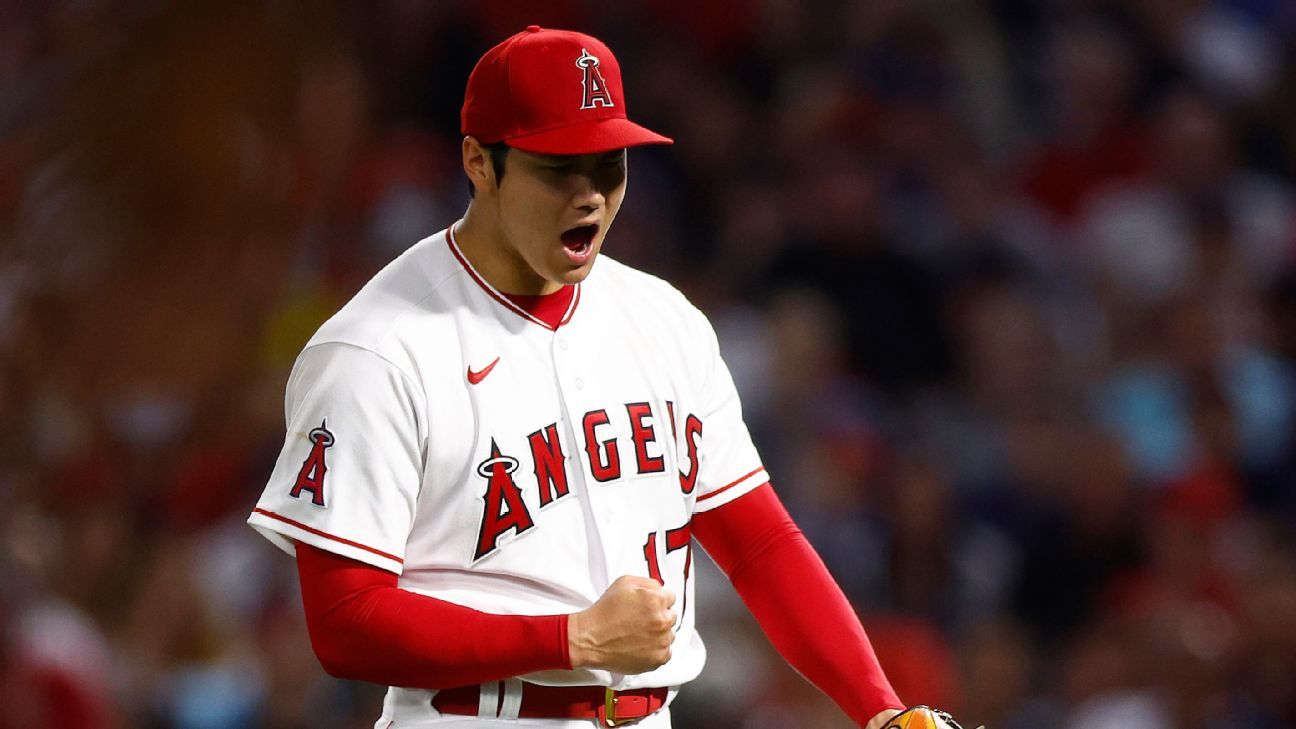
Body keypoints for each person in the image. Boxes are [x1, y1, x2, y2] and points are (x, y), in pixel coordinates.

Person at [249, 25, 963, 729]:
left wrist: (881, 707)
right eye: (559, 165)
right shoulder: (378, 348)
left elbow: (759, 543)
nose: (589, 194)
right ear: (479, 162)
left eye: (609, 163)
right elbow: (345, 621)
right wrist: (572, 639)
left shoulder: (661, 318)